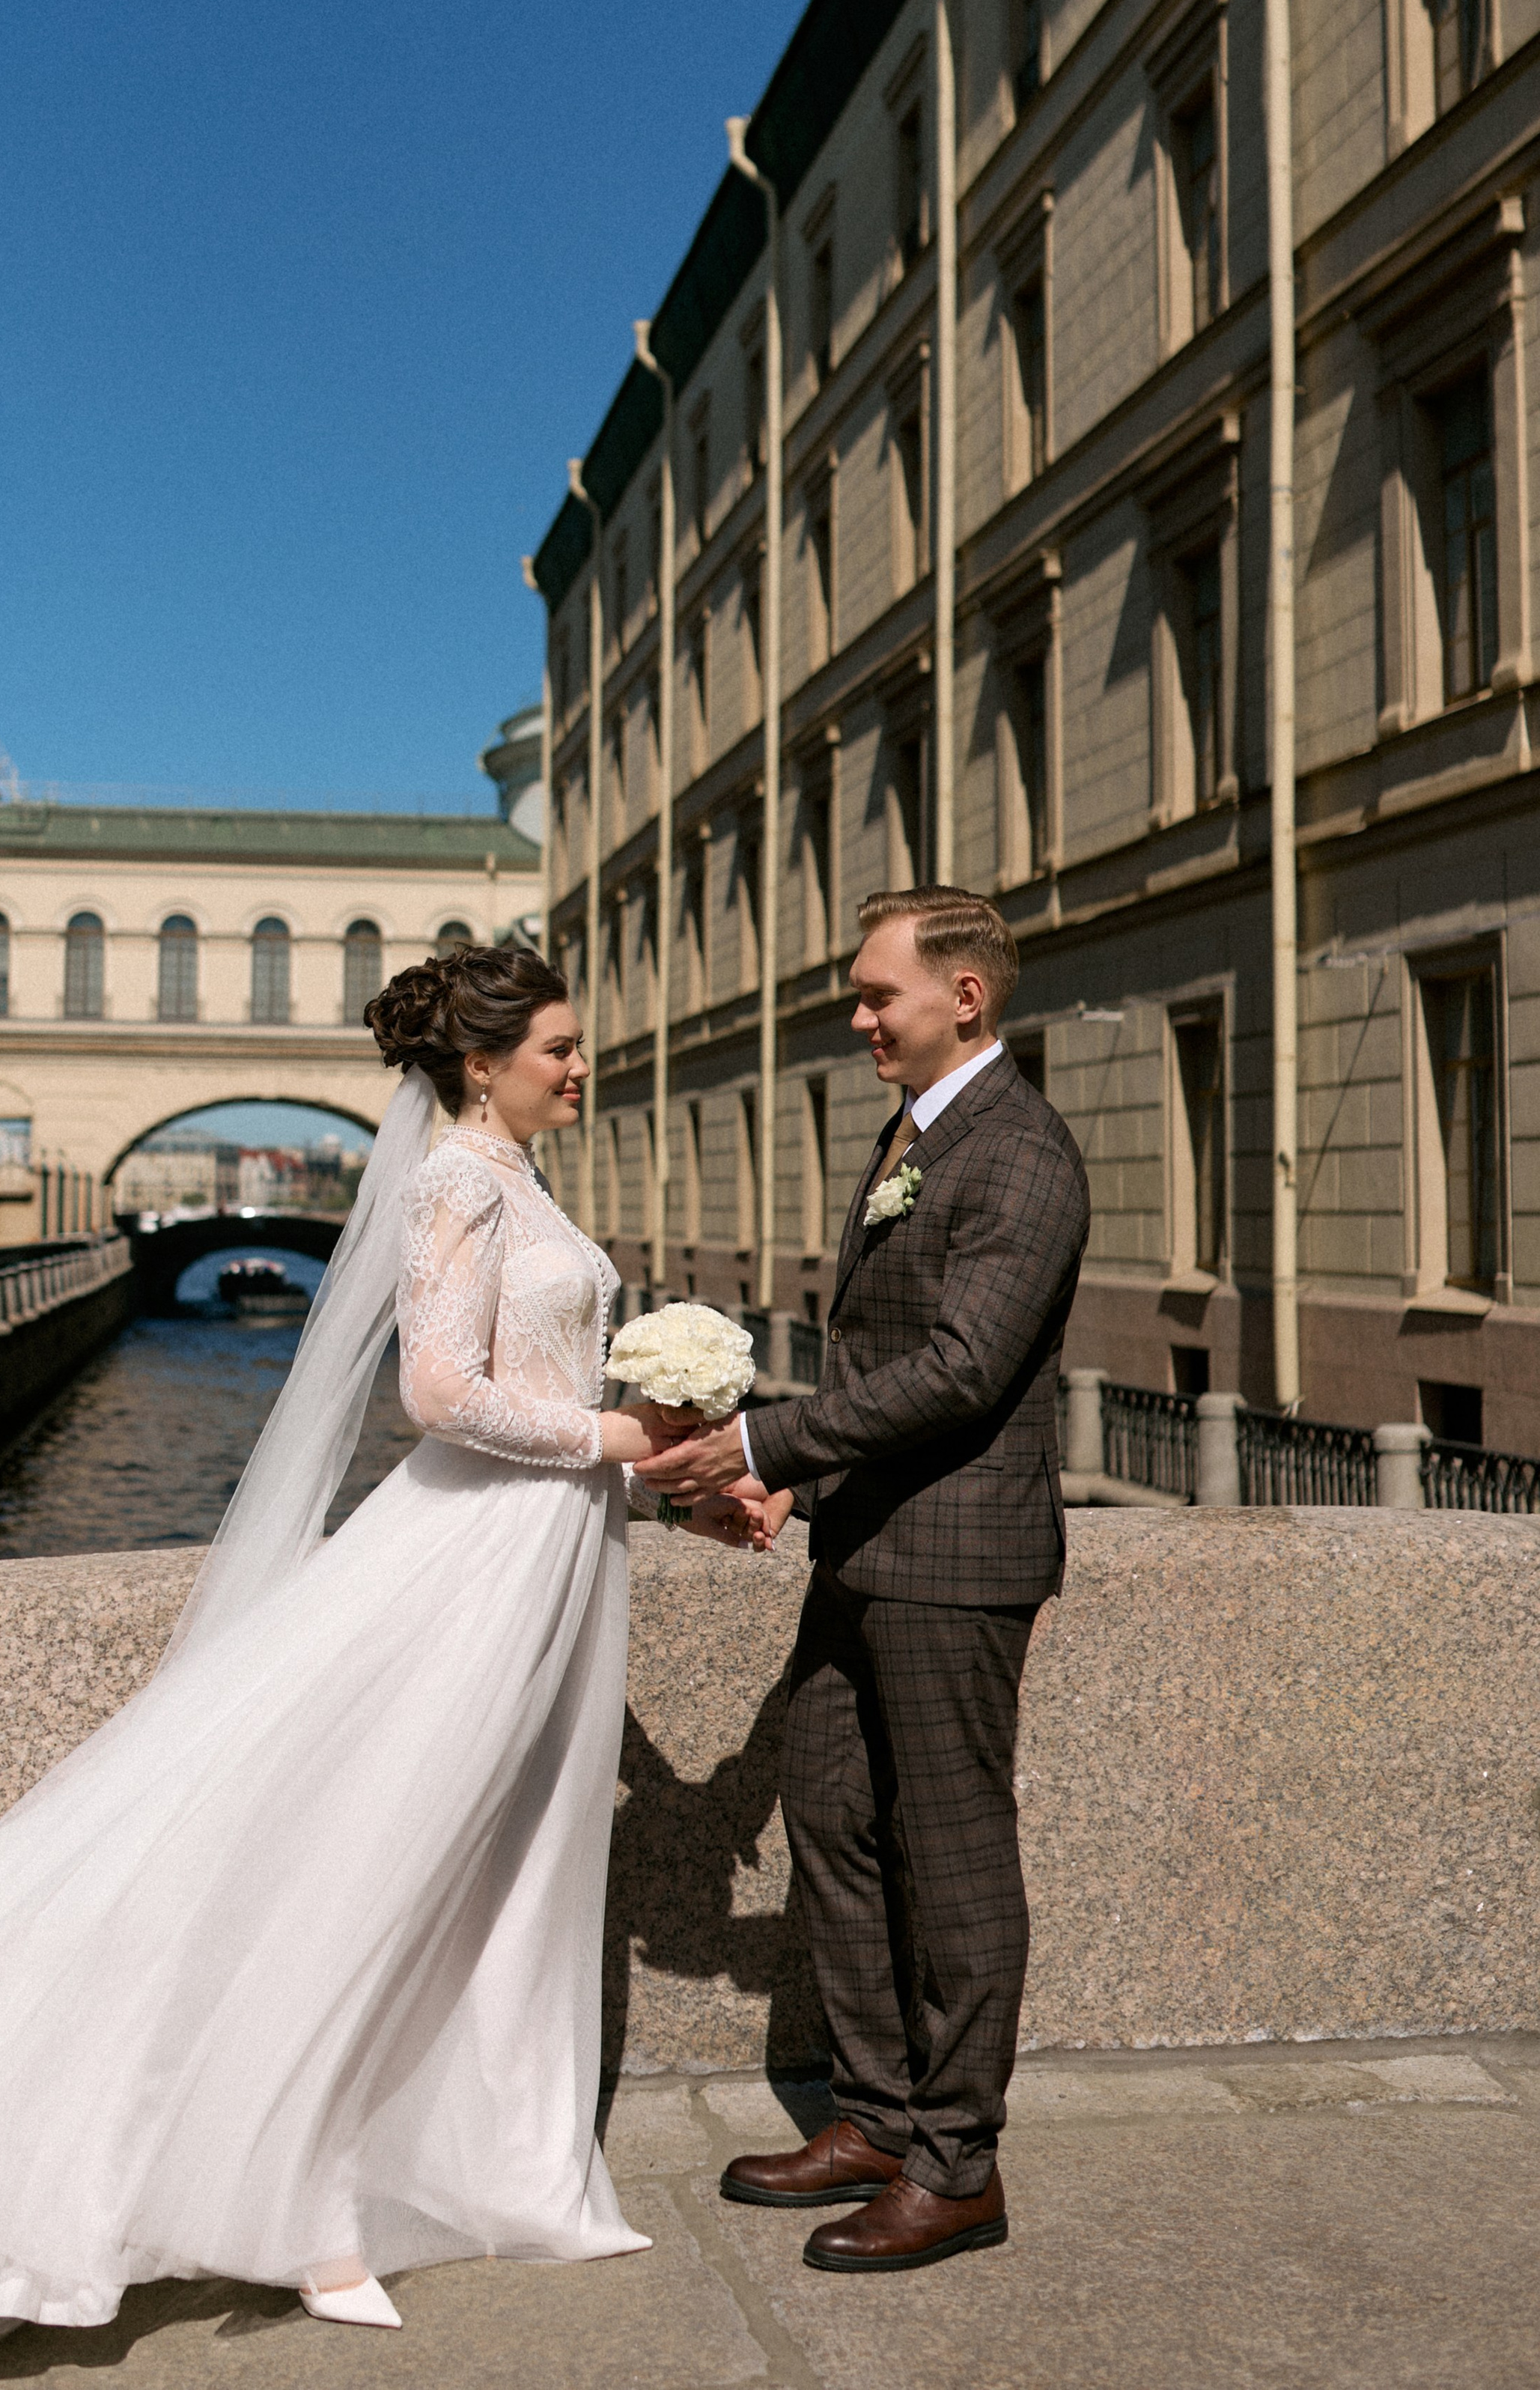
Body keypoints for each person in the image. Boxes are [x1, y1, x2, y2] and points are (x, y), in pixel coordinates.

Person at [0, 943, 759, 2381]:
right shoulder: (453, 1178)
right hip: (467, 1570)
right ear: (481, 1060)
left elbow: (541, 1386)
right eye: (560, 1046)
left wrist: (674, 1479)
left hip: (552, 1557)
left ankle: (492, 2164)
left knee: (494, 1874)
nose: (581, 1065)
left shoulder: (514, 1177)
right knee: (368, 1872)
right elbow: (438, 1394)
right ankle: (304, 2212)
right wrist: (625, 1438)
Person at [644, 886, 1089, 2275]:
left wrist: (763, 1438)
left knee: (952, 1859)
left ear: (965, 994)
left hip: (957, 1564)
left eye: (874, 994)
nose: (857, 1017)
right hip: (867, 1543)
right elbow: (880, 1361)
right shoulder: (914, 1134)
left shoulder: (1020, 1151)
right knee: (833, 1813)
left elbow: (961, 1371)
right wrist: (800, 1481)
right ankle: (879, 2115)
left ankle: (959, 2164)